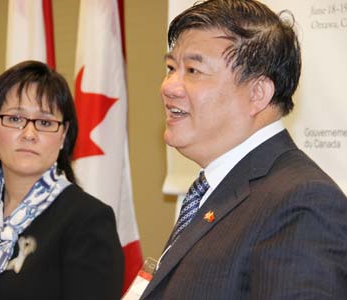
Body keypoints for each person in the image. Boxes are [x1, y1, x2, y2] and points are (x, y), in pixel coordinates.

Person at [141, 0, 347, 299]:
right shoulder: (214, 190)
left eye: (193, 70)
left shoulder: (302, 202)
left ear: (258, 93)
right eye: (171, 67)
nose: (169, 86)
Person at [0, 60, 124, 300]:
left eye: (45, 122)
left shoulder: (88, 220)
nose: (29, 134)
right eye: (15, 119)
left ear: (63, 137)